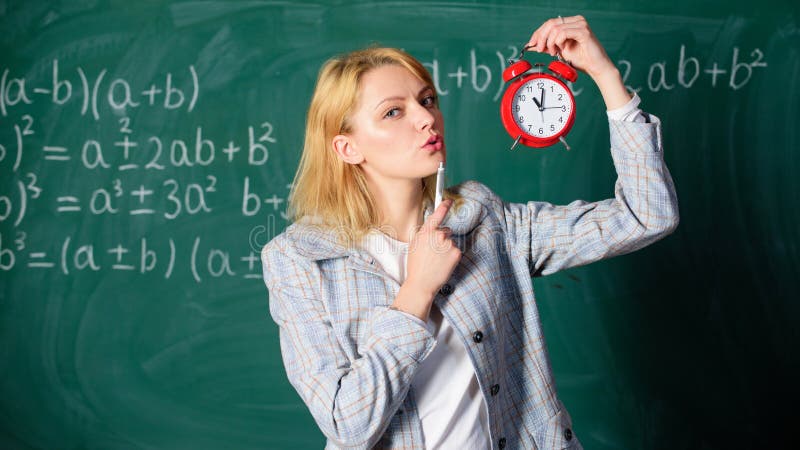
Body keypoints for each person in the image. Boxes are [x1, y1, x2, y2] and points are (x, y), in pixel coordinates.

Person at [261, 15, 679, 450]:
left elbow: (647, 214)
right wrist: (416, 292)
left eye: (427, 100)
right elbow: (347, 424)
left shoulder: (484, 219)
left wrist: (605, 77)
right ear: (348, 148)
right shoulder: (300, 260)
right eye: (393, 111)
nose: (426, 118)